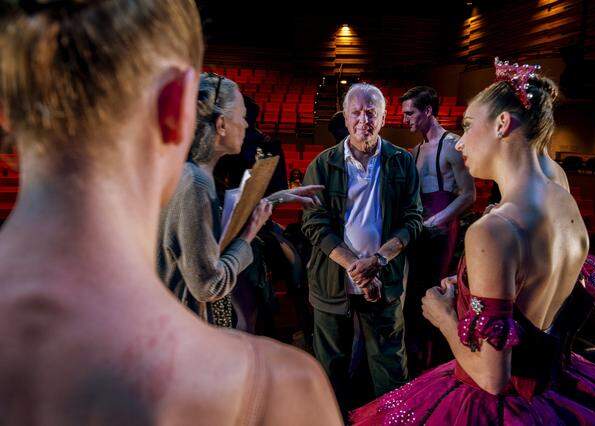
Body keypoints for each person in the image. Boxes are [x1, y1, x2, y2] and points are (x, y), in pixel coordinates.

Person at [0, 2, 341, 424]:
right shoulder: (286, 392)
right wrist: (247, 242)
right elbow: (206, 281)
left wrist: (277, 200)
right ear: (175, 106)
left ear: (7, 110)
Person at [351, 59, 595, 424]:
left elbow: (491, 377)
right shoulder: (562, 195)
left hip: (501, 404)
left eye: (469, 127)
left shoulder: (492, 230)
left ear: (502, 124)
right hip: (555, 384)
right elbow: (548, 284)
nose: (460, 144)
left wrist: (444, 317)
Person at [157, 72, 323, 328]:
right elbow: (210, 286)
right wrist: (248, 236)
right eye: (242, 116)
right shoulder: (196, 184)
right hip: (186, 331)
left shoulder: (188, 173)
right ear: (221, 124)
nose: (246, 125)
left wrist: (277, 199)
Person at [302, 83, 422, 416]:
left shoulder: (401, 162)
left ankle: (393, 421)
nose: (363, 120)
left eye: (371, 112)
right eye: (356, 112)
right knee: (331, 368)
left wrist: (380, 260)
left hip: (386, 280)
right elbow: (314, 224)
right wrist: (356, 266)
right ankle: (331, 420)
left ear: (384, 117)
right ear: (345, 116)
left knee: (390, 367)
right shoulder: (323, 164)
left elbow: (413, 219)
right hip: (332, 282)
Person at [400, 86, 476, 373]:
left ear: (428, 111)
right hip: (420, 229)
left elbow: (469, 195)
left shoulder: (452, 145)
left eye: (410, 113)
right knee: (415, 294)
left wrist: (440, 219)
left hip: (442, 229)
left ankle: (436, 361)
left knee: (433, 288)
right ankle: (418, 359)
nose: (405, 120)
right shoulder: (417, 150)